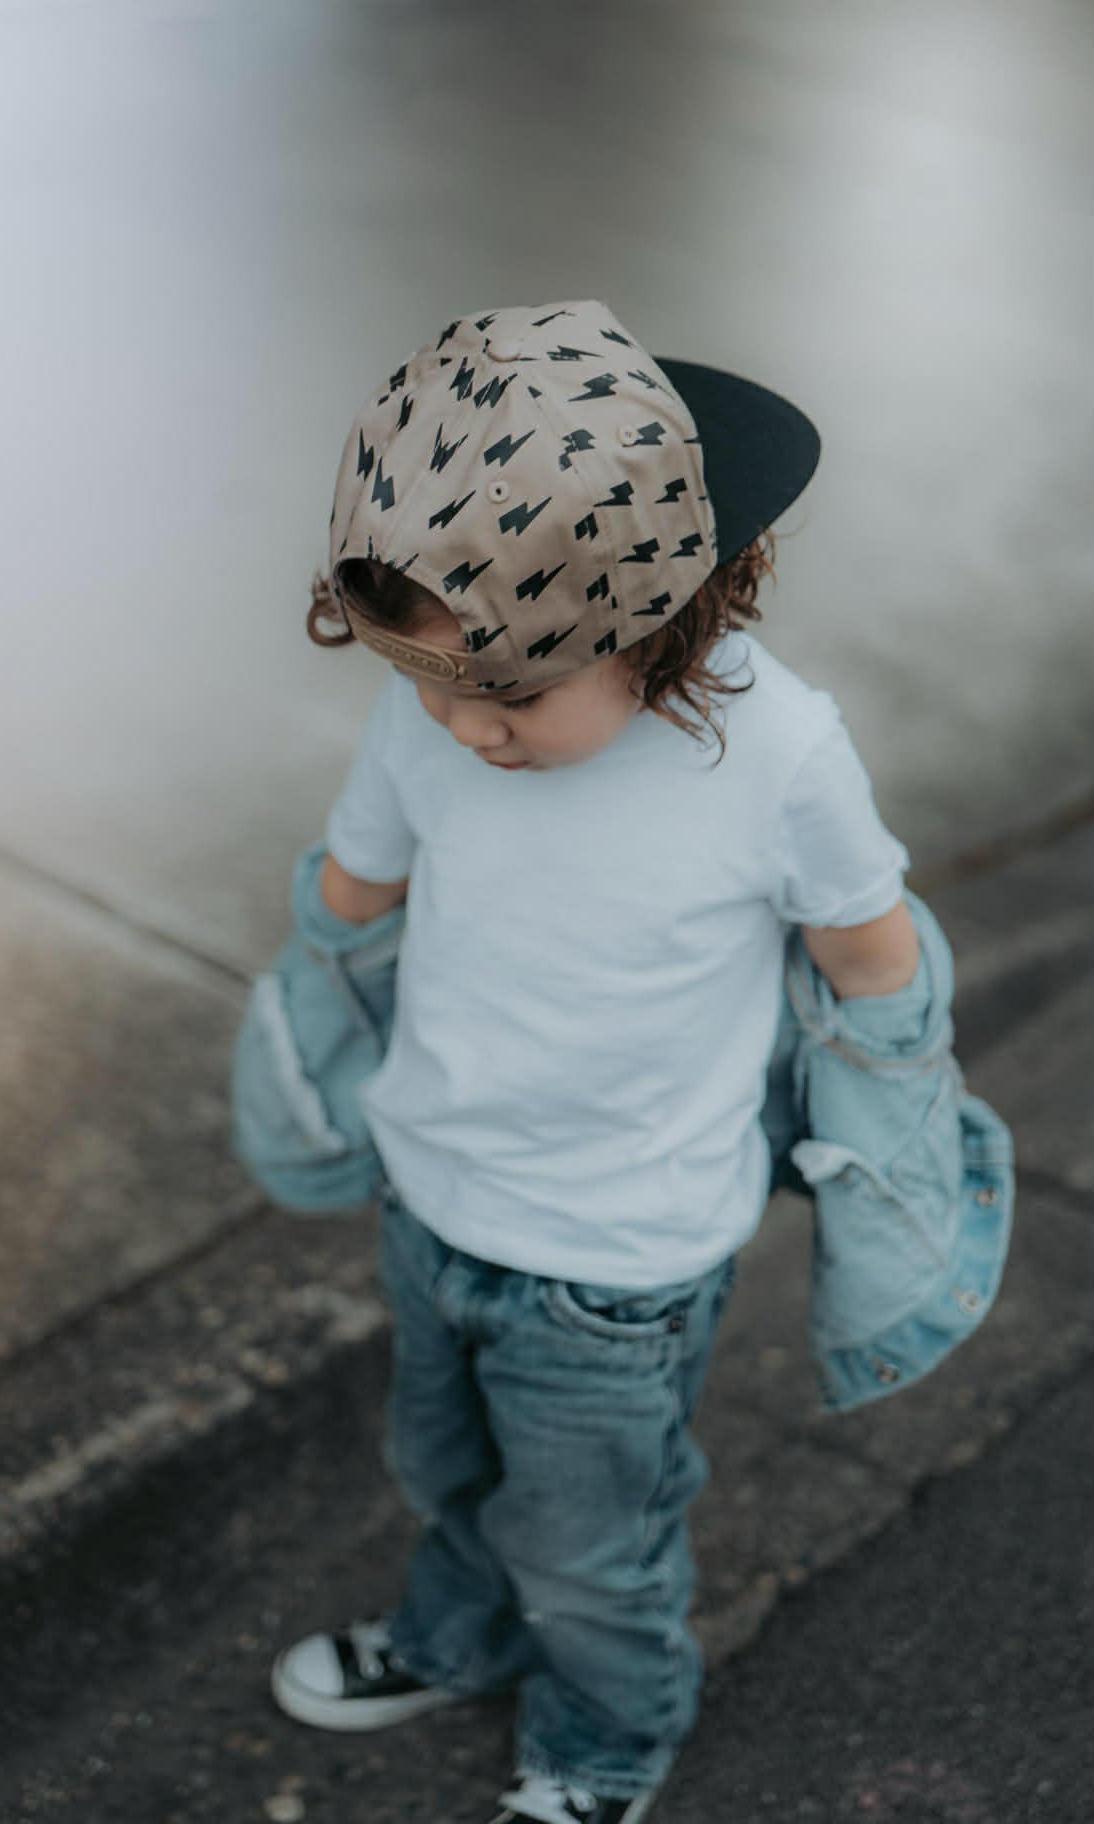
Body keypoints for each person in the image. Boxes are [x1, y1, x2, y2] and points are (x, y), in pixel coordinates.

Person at [264, 300, 924, 1824]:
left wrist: (881, 1111)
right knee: (448, 1475)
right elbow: (358, 884)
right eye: (428, 684)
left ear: (660, 622)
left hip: (618, 1265)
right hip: (434, 1201)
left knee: (588, 1543)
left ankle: (607, 1739)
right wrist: (314, 991)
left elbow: (867, 947)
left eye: (506, 697)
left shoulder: (778, 755)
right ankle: (458, 1635)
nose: (460, 728)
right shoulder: (428, 715)